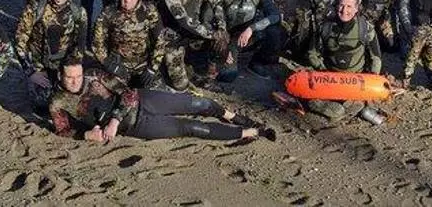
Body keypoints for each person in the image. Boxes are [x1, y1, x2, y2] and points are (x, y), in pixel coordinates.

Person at [49, 60, 274, 142]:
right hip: (135, 126)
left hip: (143, 101)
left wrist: (114, 121)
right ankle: (252, 132)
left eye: (78, 76)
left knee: (200, 104)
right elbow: (63, 130)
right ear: (60, 76)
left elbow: (128, 92)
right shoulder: (57, 102)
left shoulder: (94, 75)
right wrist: (86, 135)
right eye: (69, 77)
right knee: (192, 128)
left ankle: (234, 117)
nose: (75, 81)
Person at [306, 0, 383, 123]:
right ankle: (340, 107)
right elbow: (312, 53)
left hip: (356, 80)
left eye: (349, 6)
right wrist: (323, 72)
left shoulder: (365, 28)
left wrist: (371, 80)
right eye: (341, 5)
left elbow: (376, 58)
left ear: (356, 8)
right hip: (330, 78)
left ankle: (347, 106)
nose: (344, 10)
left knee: (356, 105)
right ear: (336, 6)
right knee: (312, 99)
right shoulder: (325, 27)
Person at [14, 0, 87, 108]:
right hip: (40, 66)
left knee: (75, 100)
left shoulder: (78, 12)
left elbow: (80, 46)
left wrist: (73, 73)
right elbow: (19, 41)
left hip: (65, 64)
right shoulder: (35, 9)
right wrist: (31, 72)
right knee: (42, 105)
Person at [161, 0, 227, 90]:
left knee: (221, 43)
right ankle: (166, 65)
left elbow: (216, 2)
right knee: (180, 86)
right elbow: (182, 19)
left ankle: (209, 77)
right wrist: (212, 34)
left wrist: (222, 28)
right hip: (173, 36)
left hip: (195, 33)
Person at [92, 0, 166, 89]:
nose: (128, 0)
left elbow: (160, 39)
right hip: (118, 65)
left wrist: (152, 68)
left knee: (155, 92)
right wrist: (108, 64)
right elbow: (97, 41)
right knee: (106, 90)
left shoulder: (149, 10)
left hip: (143, 64)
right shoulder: (109, 12)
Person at [217, 0, 283, 81]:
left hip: (248, 34)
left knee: (275, 31)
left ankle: (257, 62)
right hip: (227, 37)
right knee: (228, 76)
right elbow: (209, 18)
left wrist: (252, 28)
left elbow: (275, 15)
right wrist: (222, 43)